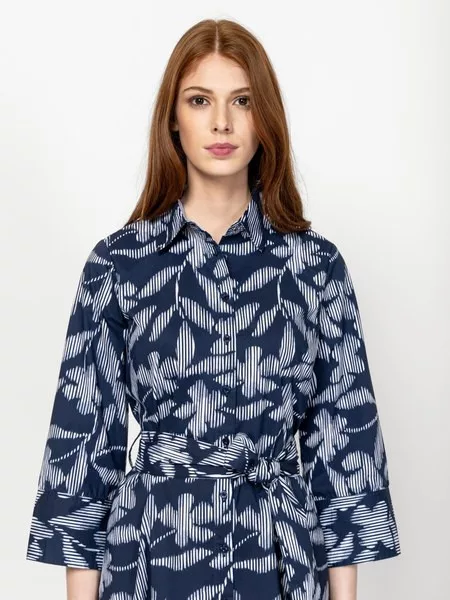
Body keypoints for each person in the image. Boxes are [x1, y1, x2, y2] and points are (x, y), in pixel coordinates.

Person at [25, 17, 401, 600]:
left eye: (242, 101)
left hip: (278, 558)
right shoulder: (118, 265)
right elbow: (81, 453)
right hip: (151, 556)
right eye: (200, 100)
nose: (222, 122)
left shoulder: (315, 267)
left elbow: (345, 451)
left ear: (265, 117)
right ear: (173, 118)